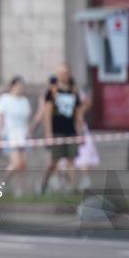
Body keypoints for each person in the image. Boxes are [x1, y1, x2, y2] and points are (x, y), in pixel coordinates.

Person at [41, 65, 84, 193]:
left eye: (65, 73)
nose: (63, 75)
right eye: (61, 73)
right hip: (57, 130)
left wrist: (80, 131)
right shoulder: (52, 91)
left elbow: (78, 113)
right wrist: (48, 132)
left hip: (71, 130)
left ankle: (70, 187)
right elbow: (47, 113)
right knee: (54, 161)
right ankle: (44, 183)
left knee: (72, 159)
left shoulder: (74, 92)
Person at [0, 76, 31, 193]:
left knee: (22, 164)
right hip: (10, 134)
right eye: (18, 86)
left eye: (22, 87)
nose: (20, 89)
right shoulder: (4, 99)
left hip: (23, 134)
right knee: (15, 163)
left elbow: (26, 120)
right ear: (12, 86)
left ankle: (19, 188)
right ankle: (2, 181)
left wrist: (29, 135)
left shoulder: (25, 101)